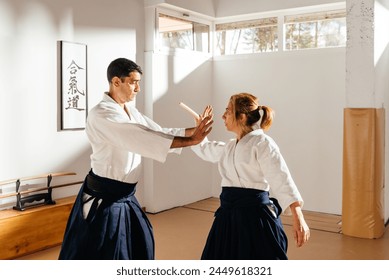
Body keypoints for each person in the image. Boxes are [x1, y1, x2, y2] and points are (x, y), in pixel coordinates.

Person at [58, 58, 213, 260]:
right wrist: (192, 140)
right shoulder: (101, 115)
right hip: (104, 198)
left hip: (126, 196)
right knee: (102, 255)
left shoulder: (130, 111)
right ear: (116, 82)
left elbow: (157, 132)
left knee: (140, 244)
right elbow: (141, 137)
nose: (138, 88)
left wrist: (195, 130)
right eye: (133, 82)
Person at [191, 93, 310, 260]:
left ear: (242, 116)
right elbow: (206, 149)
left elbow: (281, 178)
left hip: (255, 218)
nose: (223, 116)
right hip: (227, 218)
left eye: (228, 111)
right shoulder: (230, 146)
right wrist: (199, 131)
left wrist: (298, 214)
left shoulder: (263, 143)